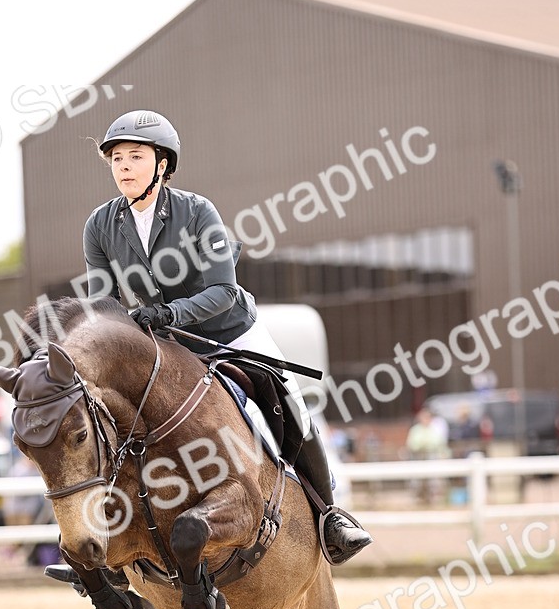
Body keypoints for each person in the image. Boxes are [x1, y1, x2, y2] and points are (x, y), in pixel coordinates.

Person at [78, 108, 371, 567]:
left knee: (291, 401)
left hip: (230, 332)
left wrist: (168, 311)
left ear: (162, 165)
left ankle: (330, 515)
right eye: (116, 159)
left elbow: (223, 290)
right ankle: (102, 548)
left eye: (135, 156)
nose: (123, 167)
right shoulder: (100, 224)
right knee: (111, 414)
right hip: (168, 344)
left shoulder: (197, 212)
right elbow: (103, 302)